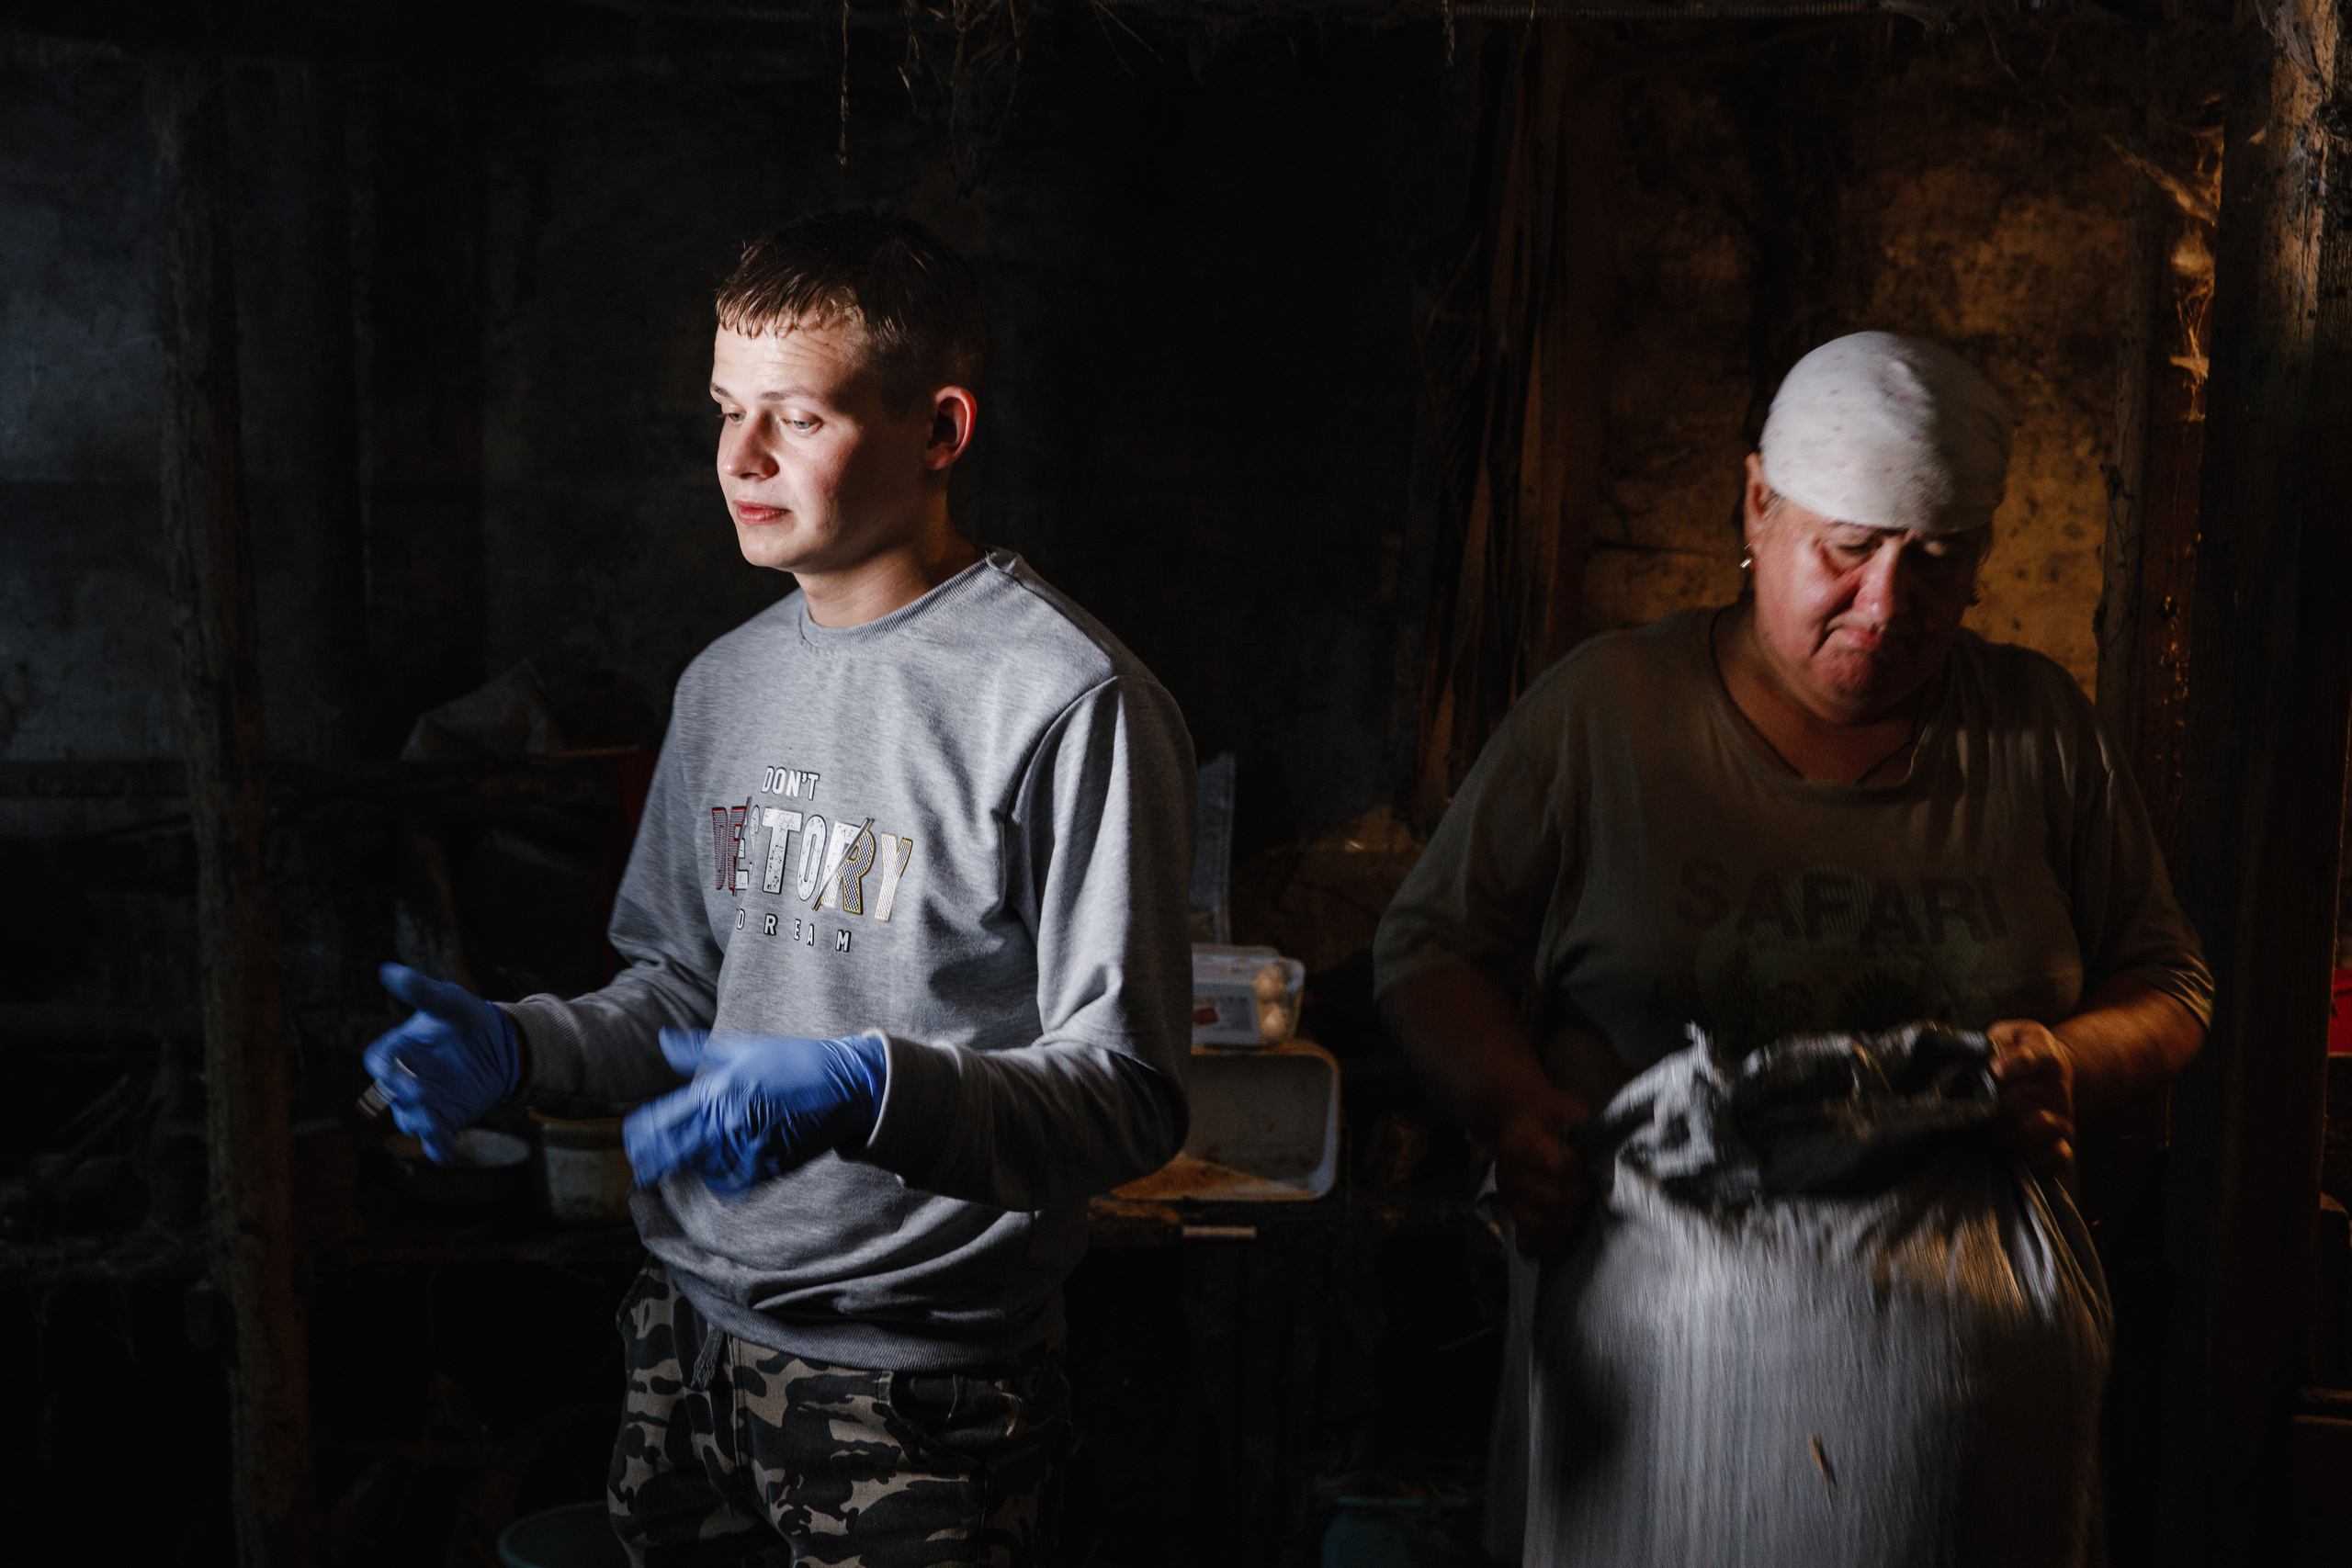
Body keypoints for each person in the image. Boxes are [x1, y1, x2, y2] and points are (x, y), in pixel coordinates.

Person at [361, 209, 1196, 1567]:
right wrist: (523, 1046)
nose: (737, 462)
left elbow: (1133, 1096)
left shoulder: (1064, 702)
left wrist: (868, 1088)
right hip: (684, 1341)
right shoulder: (725, 684)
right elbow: (682, 991)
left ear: (941, 430)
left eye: (794, 420)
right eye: (723, 410)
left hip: (918, 1396)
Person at [1373, 331, 2211, 1561]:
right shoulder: (1607, 714)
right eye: (1849, 551)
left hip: (1963, 1384)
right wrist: (1513, 1105)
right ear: (1758, 505)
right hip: (1659, 1348)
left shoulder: (2037, 733)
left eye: (1936, 562)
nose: (1889, 605)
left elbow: (2171, 980)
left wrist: (2067, 1061)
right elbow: (1431, 949)